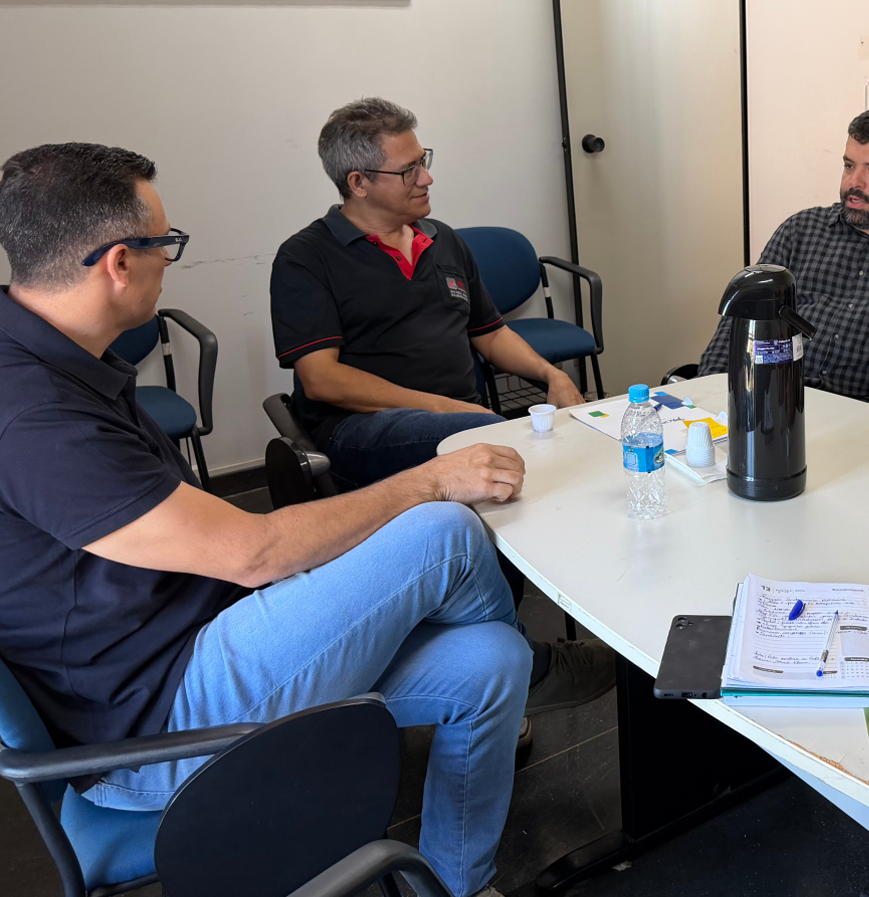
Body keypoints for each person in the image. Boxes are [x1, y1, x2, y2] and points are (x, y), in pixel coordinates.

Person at [0, 143, 545, 897]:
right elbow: (251, 553)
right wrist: (428, 481)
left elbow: (218, 542)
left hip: (196, 638)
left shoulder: (60, 357)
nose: (172, 260)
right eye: (167, 244)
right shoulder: (33, 412)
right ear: (118, 263)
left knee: (490, 662)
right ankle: (520, 644)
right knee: (442, 527)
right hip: (159, 725)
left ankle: (458, 884)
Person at [271, 97, 584, 489]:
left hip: (463, 418)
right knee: (503, 448)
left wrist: (551, 374)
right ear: (358, 183)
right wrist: (444, 409)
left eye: (423, 161)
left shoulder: (442, 239)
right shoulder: (306, 257)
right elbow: (321, 379)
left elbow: (490, 333)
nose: (426, 178)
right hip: (360, 430)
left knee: (535, 453)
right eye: (408, 170)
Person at [697, 106, 869, 415]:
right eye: (849, 165)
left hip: (859, 414)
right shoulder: (801, 230)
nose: (854, 182)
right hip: (770, 403)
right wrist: (709, 391)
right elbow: (743, 318)